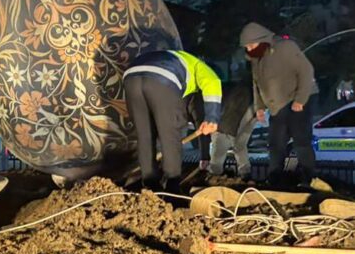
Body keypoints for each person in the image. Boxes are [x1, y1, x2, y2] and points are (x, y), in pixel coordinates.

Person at [124, 50, 221, 194]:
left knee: (144, 136)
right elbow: (213, 82)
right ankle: (172, 187)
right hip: (163, 78)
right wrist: (212, 118)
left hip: (131, 76)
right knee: (169, 136)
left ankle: (150, 185)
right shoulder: (201, 67)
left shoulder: (180, 60)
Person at [239, 22, 317, 185]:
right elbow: (257, 84)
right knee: (275, 143)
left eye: (251, 45)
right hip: (277, 106)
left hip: (297, 100)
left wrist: (300, 100)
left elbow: (306, 71)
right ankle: (275, 178)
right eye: (247, 47)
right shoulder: (255, 58)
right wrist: (259, 107)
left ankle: (308, 178)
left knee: (301, 141)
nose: (249, 49)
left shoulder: (286, 47)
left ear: (262, 40)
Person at [207, 80, 256, 179]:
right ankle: (245, 174)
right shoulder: (248, 87)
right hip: (248, 107)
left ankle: (215, 175)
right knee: (239, 144)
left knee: (220, 147)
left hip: (227, 122)